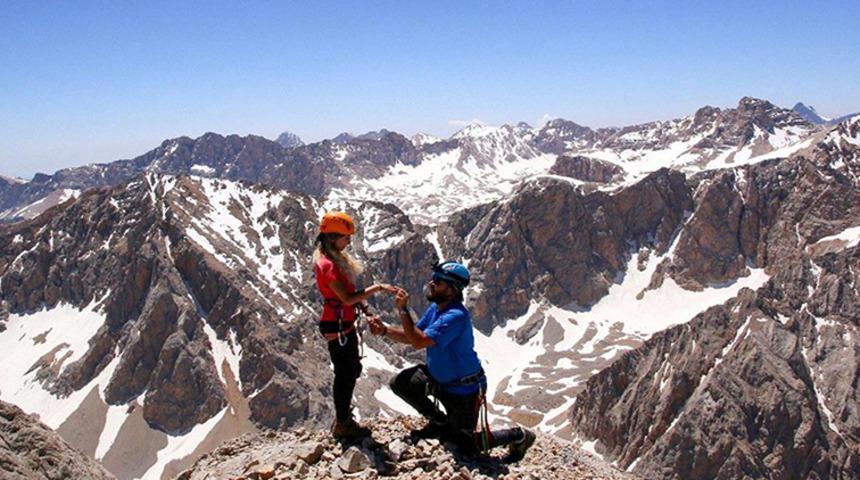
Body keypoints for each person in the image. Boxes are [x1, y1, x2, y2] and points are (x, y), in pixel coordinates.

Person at [368, 261, 536, 462]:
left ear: (451, 289)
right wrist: (385, 330)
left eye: (438, 281)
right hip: (440, 380)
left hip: (463, 391)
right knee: (401, 383)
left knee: (466, 447)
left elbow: (419, 341)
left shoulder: (455, 316)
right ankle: (439, 422)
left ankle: (518, 435)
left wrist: (403, 310)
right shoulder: (436, 308)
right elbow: (413, 334)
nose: (431, 283)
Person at [313, 211, 397, 439]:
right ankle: (343, 423)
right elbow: (348, 299)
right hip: (337, 324)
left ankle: (343, 419)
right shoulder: (327, 265)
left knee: (350, 370)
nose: (348, 242)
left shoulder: (333, 261)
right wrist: (377, 287)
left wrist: (367, 311)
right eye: (345, 237)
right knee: (345, 372)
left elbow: (350, 296)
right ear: (332, 237)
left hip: (340, 321)